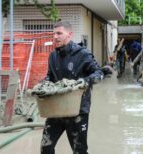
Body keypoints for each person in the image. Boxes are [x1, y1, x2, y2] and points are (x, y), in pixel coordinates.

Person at [40, 21, 103, 154]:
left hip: (77, 111)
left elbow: (99, 73)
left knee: (79, 150)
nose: (55, 37)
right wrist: (43, 85)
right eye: (53, 34)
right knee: (46, 147)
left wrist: (83, 81)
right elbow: (50, 77)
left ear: (70, 35)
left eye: (59, 33)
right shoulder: (53, 56)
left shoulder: (83, 54)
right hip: (56, 109)